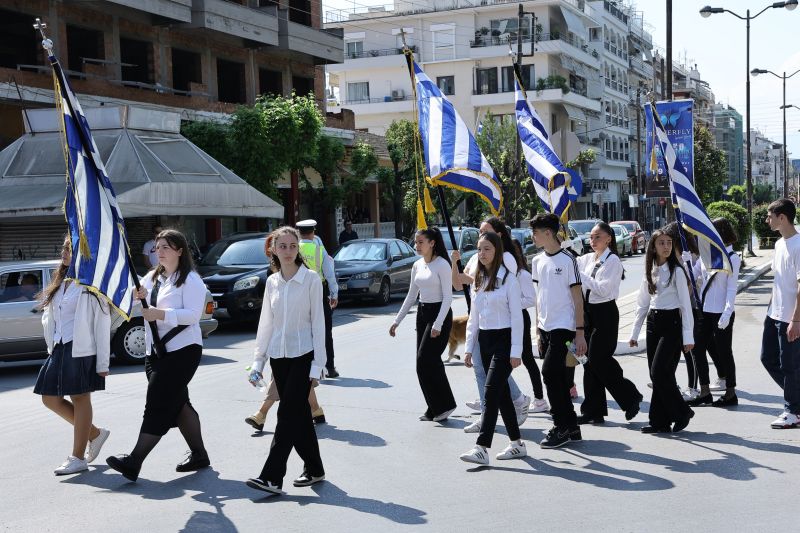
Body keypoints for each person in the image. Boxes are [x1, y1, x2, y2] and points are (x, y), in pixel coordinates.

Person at [106, 229, 209, 481]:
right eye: (157, 248)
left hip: (183, 351)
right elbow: (135, 304)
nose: (159, 252)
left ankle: (134, 461)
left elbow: (193, 315)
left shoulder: (191, 280)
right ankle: (199, 454)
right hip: (155, 353)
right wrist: (135, 296)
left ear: (180, 251)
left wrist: (160, 314)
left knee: (157, 402)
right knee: (178, 403)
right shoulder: (152, 277)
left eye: (165, 247)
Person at [246, 226, 326, 495]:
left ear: (298, 249)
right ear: (273, 250)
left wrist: (318, 366)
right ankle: (315, 469)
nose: (289, 251)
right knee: (300, 416)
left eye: (293, 246)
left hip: (304, 355)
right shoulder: (271, 282)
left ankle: (272, 477)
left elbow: (319, 325)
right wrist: (258, 362)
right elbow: (266, 325)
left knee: (287, 413)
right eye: (283, 246)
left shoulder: (312, 280)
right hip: (278, 358)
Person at [34, 235, 111, 476]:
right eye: (65, 248)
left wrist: (103, 361)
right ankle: (95, 434)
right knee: (49, 398)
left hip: (81, 348)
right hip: (59, 347)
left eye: (71, 249)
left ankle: (77, 457)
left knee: (80, 397)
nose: (65, 253)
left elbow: (102, 323)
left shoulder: (90, 286)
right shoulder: (62, 281)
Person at [450, 217, 536, 434]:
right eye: (479, 233)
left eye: (485, 231)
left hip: (502, 327)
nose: (480, 236)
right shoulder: (478, 258)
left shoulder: (507, 260)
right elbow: (459, 282)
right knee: (483, 371)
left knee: (492, 379)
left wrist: (516, 350)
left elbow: (511, 302)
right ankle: (510, 429)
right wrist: (455, 263)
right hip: (483, 323)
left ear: (498, 236)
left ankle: (489, 425)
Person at [459, 232, 526, 465]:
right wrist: (469, 348)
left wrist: (516, 351)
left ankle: (481, 447)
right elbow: (473, 318)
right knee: (502, 395)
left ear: (497, 251)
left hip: (505, 340)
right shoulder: (479, 279)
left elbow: (518, 318)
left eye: (487, 249)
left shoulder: (509, 280)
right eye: (479, 249)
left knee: (489, 392)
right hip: (485, 341)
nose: (482, 254)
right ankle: (517, 444)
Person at [529, 213, 587, 449]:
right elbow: (538, 298)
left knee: (550, 374)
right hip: (545, 327)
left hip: (564, 326)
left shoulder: (568, 260)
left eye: (536, 232)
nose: (532, 236)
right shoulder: (536, 261)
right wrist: (537, 328)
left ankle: (560, 426)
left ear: (548, 233)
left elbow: (578, 299)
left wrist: (580, 332)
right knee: (560, 378)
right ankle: (571, 426)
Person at [576, 222, 642, 424]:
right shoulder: (588, 258)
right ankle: (593, 410)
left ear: (608, 238)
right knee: (588, 362)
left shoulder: (613, 261)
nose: (593, 241)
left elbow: (603, 290)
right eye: (591, 237)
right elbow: (571, 262)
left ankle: (630, 396)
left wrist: (582, 276)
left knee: (598, 359)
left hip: (605, 313)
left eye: (597, 237)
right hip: (588, 313)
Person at [630, 230, 695, 434]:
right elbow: (642, 303)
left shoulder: (677, 271)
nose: (666, 246)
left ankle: (682, 411)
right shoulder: (650, 270)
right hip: (653, 322)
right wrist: (634, 332)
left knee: (659, 372)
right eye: (661, 243)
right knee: (657, 373)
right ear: (653, 247)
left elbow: (685, 305)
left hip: (672, 323)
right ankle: (659, 421)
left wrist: (688, 335)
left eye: (669, 242)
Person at [390, 227, 457, 422]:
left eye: (420, 242)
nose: (416, 246)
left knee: (427, 359)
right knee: (422, 364)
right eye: (415, 242)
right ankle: (434, 407)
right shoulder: (417, 265)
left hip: (440, 315)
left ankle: (445, 405)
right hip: (423, 313)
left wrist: (438, 324)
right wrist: (397, 321)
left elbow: (448, 298)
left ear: (432, 243)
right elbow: (411, 295)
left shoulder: (442, 265)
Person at [687, 218, 740, 408]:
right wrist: (687, 262)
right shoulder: (705, 255)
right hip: (705, 311)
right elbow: (695, 276)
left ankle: (730, 392)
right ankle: (705, 391)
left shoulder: (732, 257)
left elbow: (731, 289)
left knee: (725, 351)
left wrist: (727, 312)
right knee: (698, 349)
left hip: (721, 312)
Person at [761, 199, 800, 428]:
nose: (767, 220)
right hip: (773, 313)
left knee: (789, 365)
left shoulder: (798, 245)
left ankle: (792, 411)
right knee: (767, 358)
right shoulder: (778, 245)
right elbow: (779, 281)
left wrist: (796, 319)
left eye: (770, 216)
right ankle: (796, 402)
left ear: (782, 217)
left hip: (790, 317)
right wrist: (770, 309)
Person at [297, 219, 339, 378]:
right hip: (319, 291)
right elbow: (329, 274)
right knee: (324, 330)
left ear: (299, 233)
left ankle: (306, 367)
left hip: (299, 292)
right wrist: (334, 294)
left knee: (303, 330)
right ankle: (329, 368)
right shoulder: (319, 250)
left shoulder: (293, 249)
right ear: (313, 232)